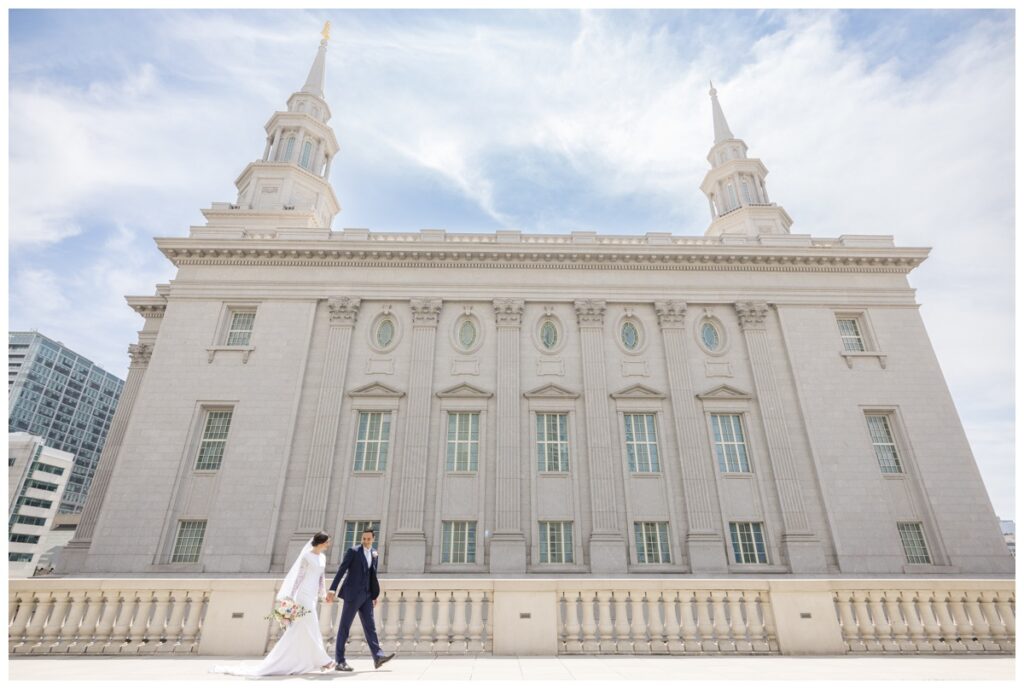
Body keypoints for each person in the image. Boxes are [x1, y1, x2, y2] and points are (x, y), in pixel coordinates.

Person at [212, 532, 335, 676]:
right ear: (321, 542)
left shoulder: (322, 557)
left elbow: (321, 577)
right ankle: (324, 660)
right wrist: (290, 596)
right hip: (303, 596)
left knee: (299, 630)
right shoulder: (306, 556)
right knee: (312, 626)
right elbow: (299, 577)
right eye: (327, 542)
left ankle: (292, 660)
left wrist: (324, 594)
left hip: (313, 597)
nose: (329, 544)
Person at [326, 527, 394, 671]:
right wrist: (332, 589)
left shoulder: (375, 554)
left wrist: (374, 595)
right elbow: (342, 570)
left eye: (368, 539)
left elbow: (372, 576)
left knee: (371, 627)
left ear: (373, 539)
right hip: (352, 595)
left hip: (367, 595)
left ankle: (378, 656)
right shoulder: (353, 551)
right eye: (364, 538)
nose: (365, 541)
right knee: (345, 627)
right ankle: (340, 661)